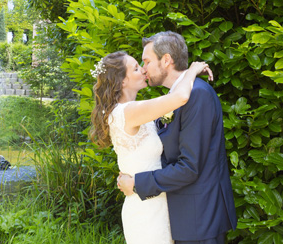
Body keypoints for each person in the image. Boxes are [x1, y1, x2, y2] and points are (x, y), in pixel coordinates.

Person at [117, 31, 238, 244]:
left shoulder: (197, 95)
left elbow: (189, 167)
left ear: (166, 60)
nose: (143, 69)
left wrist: (137, 183)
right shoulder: (175, 98)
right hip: (184, 218)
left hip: (201, 220)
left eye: (146, 61)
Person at [90, 50, 212, 244]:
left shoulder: (132, 110)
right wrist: (192, 70)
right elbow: (180, 97)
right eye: (136, 68)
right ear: (122, 81)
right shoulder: (129, 112)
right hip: (146, 210)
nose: (143, 70)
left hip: (155, 200)